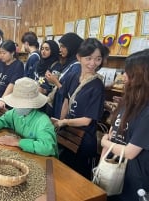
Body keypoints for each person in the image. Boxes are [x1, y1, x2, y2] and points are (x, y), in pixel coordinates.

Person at [52, 38, 109, 179]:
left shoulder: (97, 86)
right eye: (88, 58)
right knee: (61, 173)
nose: (92, 63)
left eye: (98, 59)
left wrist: (64, 122)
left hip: (83, 141)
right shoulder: (73, 76)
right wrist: (60, 121)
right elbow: (66, 100)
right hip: (67, 135)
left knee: (77, 180)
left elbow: (86, 121)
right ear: (79, 57)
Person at [100, 49, 149, 201]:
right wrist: (102, 164)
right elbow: (113, 133)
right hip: (114, 173)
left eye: (127, 72)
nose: (123, 76)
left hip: (135, 184)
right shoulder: (128, 103)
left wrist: (104, 142)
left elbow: (130, 152)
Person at [0, 77, 58, 157]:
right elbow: (3, 119)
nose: (17, 106)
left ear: (31, 104)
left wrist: (18, 142)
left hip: (47, 162)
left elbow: (47, 148)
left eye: (20, 103)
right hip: (24, 154)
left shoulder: (43, 122)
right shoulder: (15, 113)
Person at [45, 32, 83, 119]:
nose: (60, 49)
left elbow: (71, 94)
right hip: (58, 105)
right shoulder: (69, 64)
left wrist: (55, 81)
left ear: (72, 47)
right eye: (60, 46)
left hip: (63, 109)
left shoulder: (77, 67)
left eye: (63, 46)